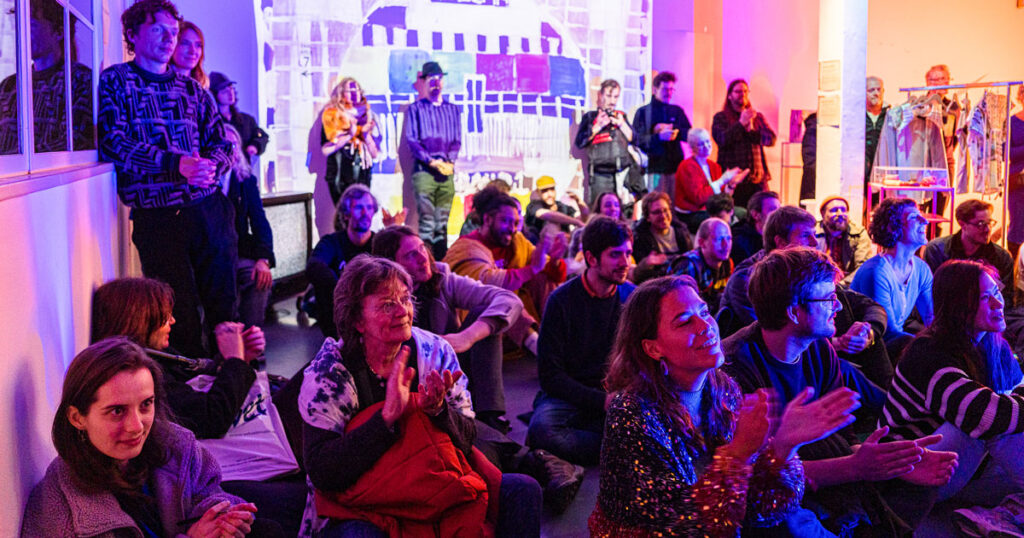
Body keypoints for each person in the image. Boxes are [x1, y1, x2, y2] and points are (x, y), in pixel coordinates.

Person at [590, 274, 862, 537]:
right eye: (685, 321)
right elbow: (686, 526)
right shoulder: (632, 414)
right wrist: (737, 454)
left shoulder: (723, 389)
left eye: (704, 312)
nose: (705, 326)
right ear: (653, 348)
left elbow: (763, 510)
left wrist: (784, 447)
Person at [298, 255, 541, 537]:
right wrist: (386, 419)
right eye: (387, 305)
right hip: (366, 503)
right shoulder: (330, 375)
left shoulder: (435, 353)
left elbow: (467, 438)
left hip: (432, 484)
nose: (402, 311)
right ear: (356, 320)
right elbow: (323, 473)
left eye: (405, 299)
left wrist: (439, 411)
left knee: (524, 490)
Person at [723, 247, 958, 535]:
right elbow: (759, 476)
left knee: (918, 476)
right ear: (793, 311)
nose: (837, 307)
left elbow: (842, 435)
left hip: (817, 462)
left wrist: (889, 461)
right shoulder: (735, 368)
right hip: (771, 491)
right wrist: (856, 467)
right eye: (829, 298)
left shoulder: (818, 347)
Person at [371, 225, 586, 513]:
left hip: (452, 385)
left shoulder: (442, 278)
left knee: (487, 324)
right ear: (392, 265)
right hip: (412, 391)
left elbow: (507, 299)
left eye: (422, 248)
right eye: (411, 255)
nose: (423, 258)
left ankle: (493, 421)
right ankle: (538, 460)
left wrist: (466, 337)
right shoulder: (380, 304)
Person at [90, 278, 307, 535]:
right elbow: (209, 417)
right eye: (163, 316)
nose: (172, 321)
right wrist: (234, 360)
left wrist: (238, 360)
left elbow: (194, 395)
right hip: (219, 464)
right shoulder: (138, 379)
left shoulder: (156, 361)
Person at [21, 337, 283, 537]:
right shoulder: (63, 516)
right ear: (77, 418)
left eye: (146, 404)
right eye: (117, 411)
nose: (137, 426)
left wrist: (223, 518)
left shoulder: (175, 444)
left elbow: (207, 491)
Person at [98, 0, 234, 358]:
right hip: (157, 217)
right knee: (177, 319)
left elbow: (222, 143)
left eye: (173, 32)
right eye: (158, 29)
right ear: (132, 33)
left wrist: (211, 166)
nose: (169, 39)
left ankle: (237, 392)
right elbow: (113, 141)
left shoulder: (192, 90)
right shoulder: (116, 81)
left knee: (225, 312)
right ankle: (189, 402)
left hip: (207, 210)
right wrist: (176, 164)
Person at [882, 260, 1024, 530]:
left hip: (959, 469)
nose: (998, 303)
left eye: (997, 292)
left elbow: (1017, 391)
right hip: (908, 476)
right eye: (985, 297)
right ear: (958, 306)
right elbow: (983, 417)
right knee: (985, 420)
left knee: (1004, 411)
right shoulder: (928, 351)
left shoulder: (994, 346)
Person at [718, 206, 894, 394]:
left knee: (877, 342)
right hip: (780, 354)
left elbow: (868, 305)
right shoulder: (747, 280)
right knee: (848, 370)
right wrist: (839, 342)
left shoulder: (813, 281)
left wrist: (868, 333)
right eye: (805, 236)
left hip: (806, 346)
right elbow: (772, 326)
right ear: (780, 241)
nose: (813, 242)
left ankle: (893, 413)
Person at [528, 216, 635, 465]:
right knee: (542, 431)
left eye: (628, 253)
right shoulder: (561, 301)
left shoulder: (632, 297)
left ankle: (611, 443)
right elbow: (551, 376)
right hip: (569, 394)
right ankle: (619, 446)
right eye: (616, 255)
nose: (625, 262)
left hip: (616, 393)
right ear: (591, 258)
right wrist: (601, 402)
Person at [444, 186, 567, 355]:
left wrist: (553, 260)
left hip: (519, 322)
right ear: (487, 219)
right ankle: (543, 352)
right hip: (479, 323)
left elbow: (552, 273)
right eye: (506, 221)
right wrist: (532, 269)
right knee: (505, 301)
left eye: (516, 223)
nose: (512, 228)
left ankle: (557, 338)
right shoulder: (465, 247)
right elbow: (486, 284)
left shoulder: (517, 241)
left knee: (544, 279)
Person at [0, 0, 93, 154]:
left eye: (31, 25)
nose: (22, 32)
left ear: (58, 32)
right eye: (19, 25)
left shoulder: (80, 80)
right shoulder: (8, 86)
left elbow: (73, 141)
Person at [851, 197, 935, 360]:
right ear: (892, 227)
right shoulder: (876, 271)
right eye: (913, 217)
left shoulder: (921, 268)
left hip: (895, 345)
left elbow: (931, 318)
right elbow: (888, 332)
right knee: (909, 342)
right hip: (870, 349)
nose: (925, 221)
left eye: (921, 215)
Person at [307, 184, 390, 338]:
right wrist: (343, 289)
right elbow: (314, 266)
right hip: (341, 314)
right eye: (358, 208)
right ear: (346, 214)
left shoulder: (380, 243)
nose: (365, 213)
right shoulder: (332, 242)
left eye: (369, 207)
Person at [404, 61, 462, 259]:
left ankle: (441, 265)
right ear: (424, 82)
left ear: (443, 81)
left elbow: (456, 140)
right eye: (431, 80)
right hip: (424, 171)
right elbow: (412, 140)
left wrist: (449, 162)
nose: (436, 83)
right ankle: (426, 264)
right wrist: (432, 162)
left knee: (442, 223)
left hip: (446, 171)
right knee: (428, 223)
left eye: (439, 79)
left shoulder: (453, 110)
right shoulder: (416, 109)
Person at [224, 124, 275, 327]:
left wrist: (263, 259)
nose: (230, 149)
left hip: (240, 253)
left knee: (259, 278)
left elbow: (259, 221)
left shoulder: (246, 181)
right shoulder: (204, 182)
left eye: (234, 145)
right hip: (209, 257)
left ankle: (251, 345)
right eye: (224, 144)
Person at [923, 199, 1014, 308]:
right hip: (948, 314)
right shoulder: (937, 250)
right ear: (962, 224)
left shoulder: (1001, 257)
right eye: (980, 224)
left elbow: (1006, 298)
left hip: (987, 316)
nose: (987, 229)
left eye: (990, 223)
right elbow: (932, 294)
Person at [711, 79, 777, 208]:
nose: (743, 94)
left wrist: (751, 130)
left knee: (761, 214)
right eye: (738, 91)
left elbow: (771, 139)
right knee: (735, 216)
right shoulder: (720, 117)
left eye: (746, 91)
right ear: (730, 95)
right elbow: (722, 139)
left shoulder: (757, 117)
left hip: (757, 179)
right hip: (733, 180)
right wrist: (741, 124)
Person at [674, 127, 748, 233]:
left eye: (708, 142)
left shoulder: (714, 166)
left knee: (743, 214)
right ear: (692, 147)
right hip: (692, 213)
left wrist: (731, 184)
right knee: (720, 220)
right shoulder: (686, 166)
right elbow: (698, 198)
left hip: (713, 209)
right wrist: (723, 180)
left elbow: (721, 197)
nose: (706, 146)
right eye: (701, 144)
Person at [321, 77, 381, 203]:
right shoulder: (332, 115)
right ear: (341, 93)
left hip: (362, 174)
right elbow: (326, 150)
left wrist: (365, 135)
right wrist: (349, 135)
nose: (354, 93)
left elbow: (375, 154)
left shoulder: (368, 116)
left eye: (357, 89)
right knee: (344, 215)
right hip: (341, 174)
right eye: (350, 90)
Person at [575, 79, 634, 205]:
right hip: (599, 174)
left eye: (616, 97)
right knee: (600, 210)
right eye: (608, 96)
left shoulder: (621, 116)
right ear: (600, 95)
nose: (612, 101)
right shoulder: (590, 117)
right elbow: (579, 143)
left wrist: (622, 124)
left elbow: (635, 140)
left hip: (622, 173)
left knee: (621, 213)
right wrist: (598, 126)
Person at [632, 71, 691, 197]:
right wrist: (658, 137)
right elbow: (637, 140)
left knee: (673, 208)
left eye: (671, 89)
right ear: (655, 89)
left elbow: (689, 135)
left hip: (675, 168)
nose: (668, 93)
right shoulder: (643, 113)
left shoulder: (677, 111)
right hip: (654, 169)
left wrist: (675, 129)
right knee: (655, 204)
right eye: (665, 89)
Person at [669, 217, 733, 312]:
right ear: (702, 243)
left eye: (729, 238)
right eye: (719, 239)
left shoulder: (727, 263)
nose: (726, 245)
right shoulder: (688, 265)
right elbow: (679, 306)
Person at [631, 191, 694, 283]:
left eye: (665, 210)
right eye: (657, 212)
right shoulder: (640, 238)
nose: (663, 216)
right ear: (648, 217)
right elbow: (639, 276)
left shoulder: (682, 232)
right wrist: (647, 264)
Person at [210, 72, 269, 165]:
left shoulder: (246, 120)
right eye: (224, 91)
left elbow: (262, 136)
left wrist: (255, 146)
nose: (230, 93)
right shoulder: (211, 123)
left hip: (244, 173)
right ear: (214, 95)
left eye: (231, 89)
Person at [815, 195, 872, 286]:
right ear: (822, 213)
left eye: (843, 210)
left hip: (847, 286)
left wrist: (842, 285)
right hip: (817, 285)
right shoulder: (812, 232)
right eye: (834, 210)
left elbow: (863, 267)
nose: (840, 213)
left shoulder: (859, 233)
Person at [523, 175, 585, 241]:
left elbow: (583, 217)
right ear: (538, 192)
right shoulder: (534, 205)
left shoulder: (561, 206)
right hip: (539, 247)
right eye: (545, 191)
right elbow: (546, 214)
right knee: (552, 226)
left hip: (563, 247)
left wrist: (579, 202)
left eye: (552, 189)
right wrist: (575, 222)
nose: (550, 194)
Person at [568, 190, 623, 261]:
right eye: (608, 205)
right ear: (599, 210)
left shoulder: (626, 233)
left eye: (616, 205)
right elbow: (572, 262)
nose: (613, 209)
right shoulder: (581, 233)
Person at [730, 190, 780, 266]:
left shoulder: (778, 237)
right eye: (772, 209)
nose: (779, 214)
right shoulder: (740, 242)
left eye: (779, 209)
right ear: (755, 215)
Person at [865, 76, 889, 194]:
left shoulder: (890, 115)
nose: (876, 93)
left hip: (883, 172)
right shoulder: (858, 116)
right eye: (871, 90)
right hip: (861, 173)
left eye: (879, 90)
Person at [1008, 85, 1024, 260]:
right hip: (1017, 181)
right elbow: (1006, 153)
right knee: (1017, 227)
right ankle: (1013, 274)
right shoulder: (1012, 122)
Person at [170, 20, 208, 89]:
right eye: (185, 43)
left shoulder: (203, 92)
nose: (193, 51)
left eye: (198, 45)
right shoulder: (156, 86)